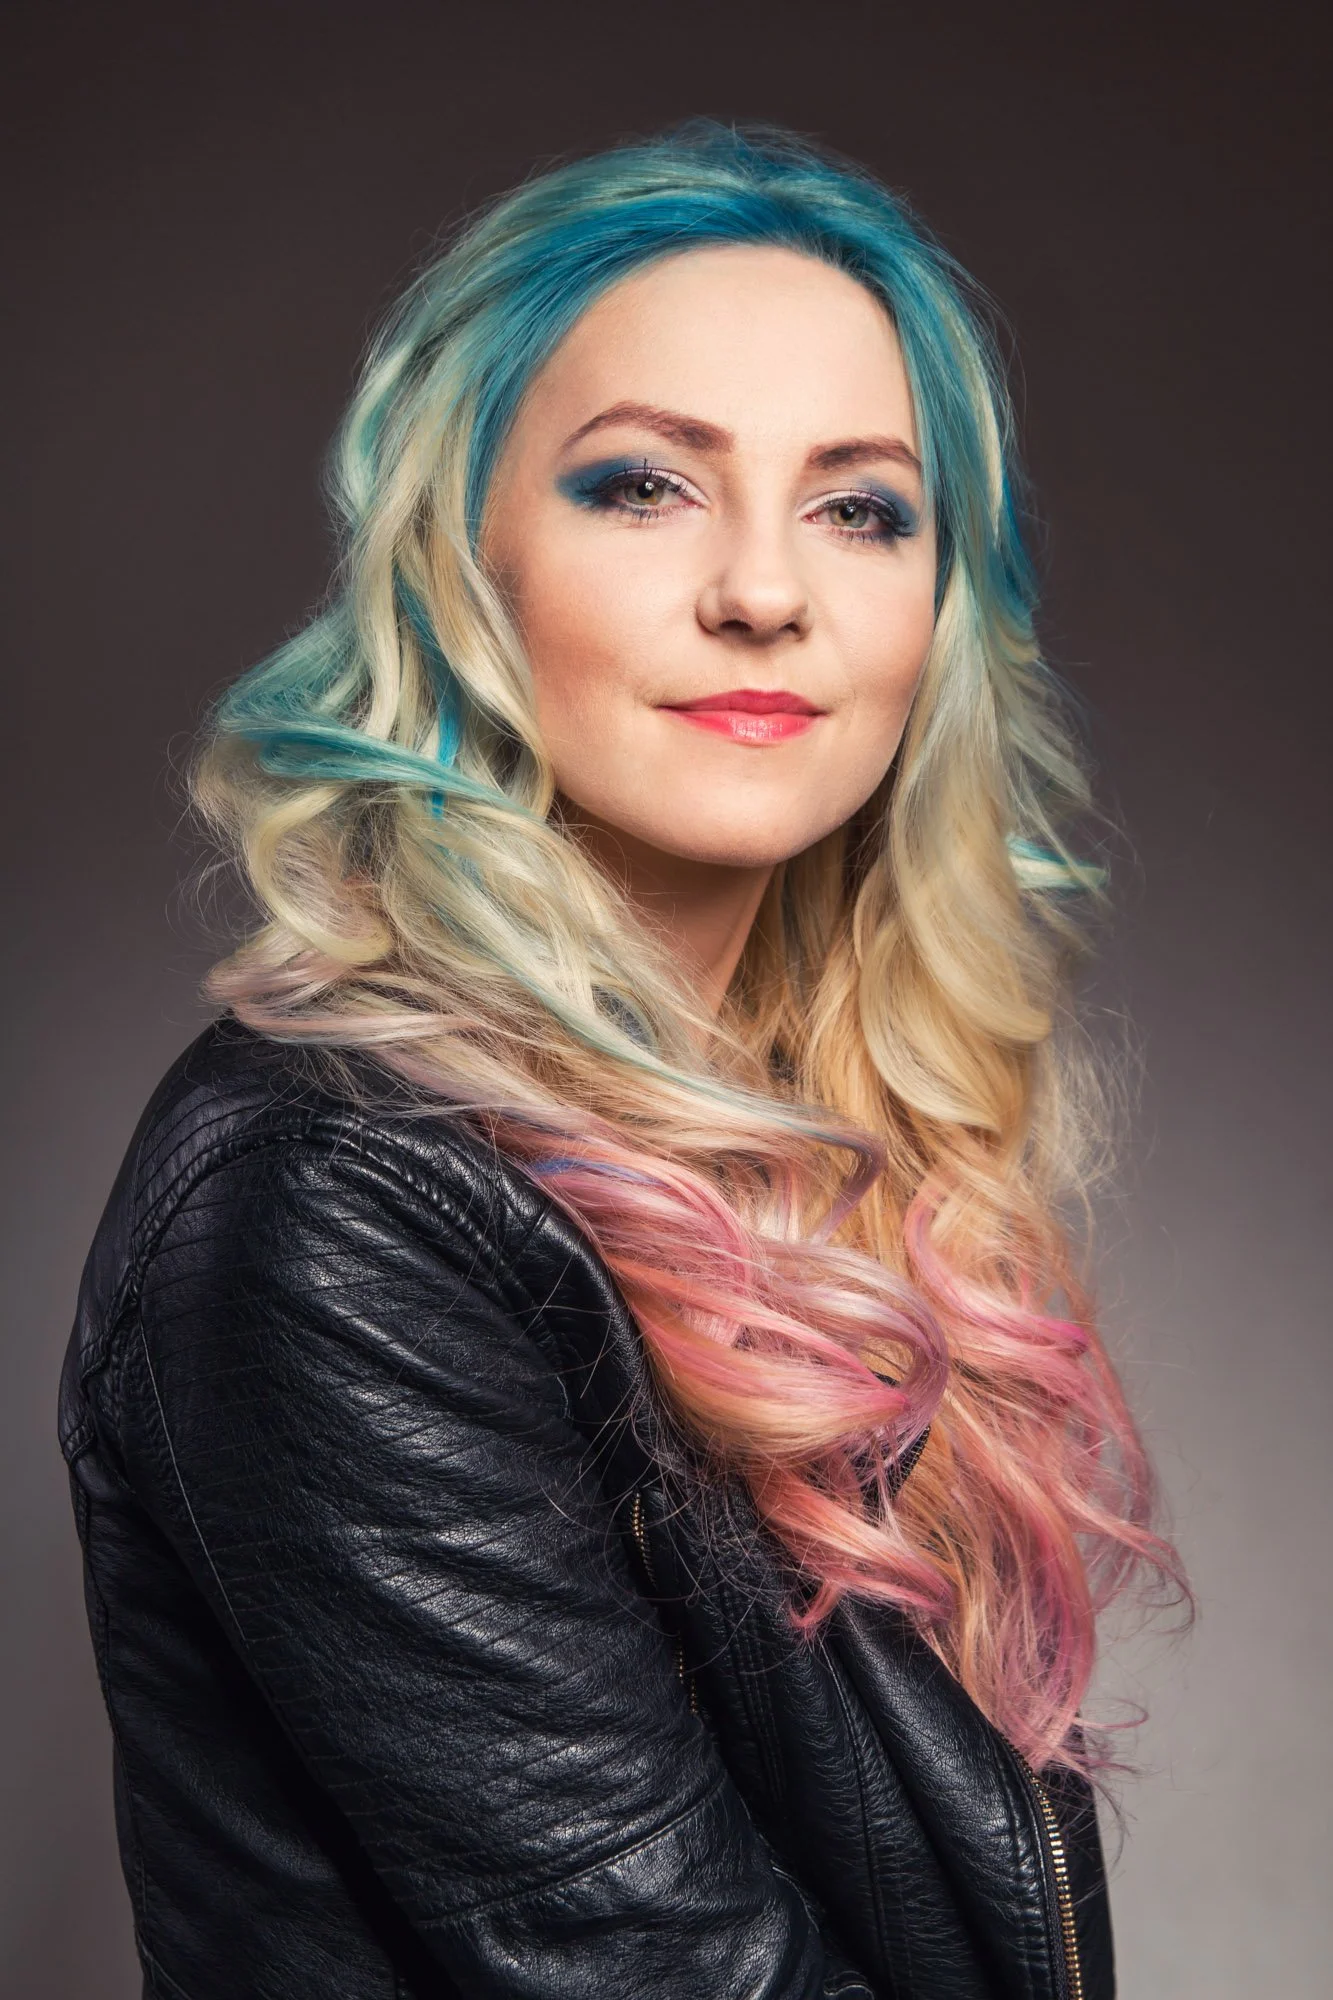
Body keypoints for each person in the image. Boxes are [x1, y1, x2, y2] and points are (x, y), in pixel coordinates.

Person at [60, 123, 1184, 1999]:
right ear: (461, 570)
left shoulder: (812, 1162)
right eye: (644, 485)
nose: (766, 590)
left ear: (937, 609)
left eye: (862, 509)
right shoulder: (338, 1207)